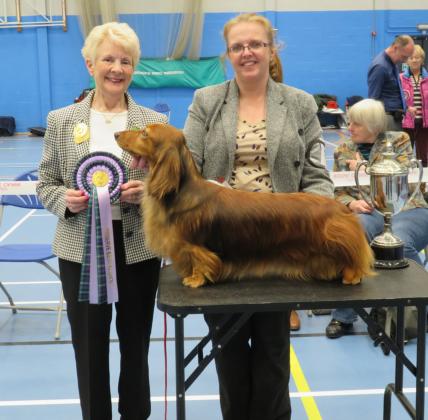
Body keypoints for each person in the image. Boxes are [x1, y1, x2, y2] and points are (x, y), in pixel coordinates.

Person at [183, 13, 333, 420]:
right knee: (228, 353)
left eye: (255, 44)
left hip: (280, 248)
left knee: (272, 352)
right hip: (222, 247)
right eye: (238, 46)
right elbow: (188, 171)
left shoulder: (300, 103)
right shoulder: (207, 101)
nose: (247, 52)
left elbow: (317, 177)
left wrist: (312, 223)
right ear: (228, 54)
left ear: (271, 50)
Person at [37, 22, 167, 420]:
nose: (117, 68)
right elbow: (45, 183)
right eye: (108, 58)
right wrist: (66, 200)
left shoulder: (152, 121)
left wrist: (147, 192)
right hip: (80, 252)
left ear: (134, 68)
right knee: (89, 350)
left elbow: (169, 184)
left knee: (135, 347)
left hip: (138, 250)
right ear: (90, 63)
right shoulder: (61, 120)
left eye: (125, 60)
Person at [325, 98, 428, 339]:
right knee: (351, 238)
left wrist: (364, 169)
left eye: (356, 124)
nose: (349, 128)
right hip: (369, 212)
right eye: (350, 123)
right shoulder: (343, 150)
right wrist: (351, 203)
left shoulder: (399, 141)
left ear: (373, 125)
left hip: (407, 208)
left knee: (400, 240)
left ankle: (421, 306)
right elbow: (337, 191)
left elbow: (403, 181)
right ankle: (343, 316)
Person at [368, 35, 415, 131]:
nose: (405, 61)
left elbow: (393, 91)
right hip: (386, 120)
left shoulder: (392, 64)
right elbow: (373, 99)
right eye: (404, 56)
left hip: (394, 118)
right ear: (395, 48)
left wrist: (406, 107)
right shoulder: (380, 67)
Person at [400, 44, 428, 167]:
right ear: (407, 60)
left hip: (424, 124)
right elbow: (398, 99)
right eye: (411, 57)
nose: (414, 60)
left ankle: (424, 183)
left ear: (422, 59)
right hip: (407, 124)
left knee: (424, 156)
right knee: (405, 157)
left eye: (417, 57)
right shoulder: (400, 78)